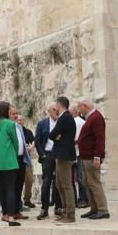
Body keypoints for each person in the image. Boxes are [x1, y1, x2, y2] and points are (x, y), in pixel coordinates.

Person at [76, 98, 110, 220]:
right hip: (85, 157)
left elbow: (99, 138)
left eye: (79, 107)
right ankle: (94, 208)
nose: (78, 110)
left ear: (85, 106)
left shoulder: (96, 118)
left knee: (94, 183)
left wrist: (97, 156)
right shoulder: (91, 118)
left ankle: (102, 209)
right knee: (87, 182)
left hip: (91, 157)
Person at [50, 96, 78, 224]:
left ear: (59, 105)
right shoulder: (66, 117)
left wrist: (57, 137)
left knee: (66, 185)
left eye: (56, 105)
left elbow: (52, 135)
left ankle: (70, 214)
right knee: (59, 185)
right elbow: (55, 135)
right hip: (62, 155)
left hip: (64, 156)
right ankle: (65, 211)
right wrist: (57, 136)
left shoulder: (64, 118)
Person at [34, 104, 61, 220]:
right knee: (46, 183)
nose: (56, 111)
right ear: (49, 111)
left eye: (57, 109)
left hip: (59, 155)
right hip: (47, 155)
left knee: (59, 182)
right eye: (54, 110)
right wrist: (42, 155)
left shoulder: (62, 122)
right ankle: (44, 209)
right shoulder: (42, 124)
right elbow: (37, 141)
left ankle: (58, 207)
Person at [14, 113, 36, 209]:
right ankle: (18, 201)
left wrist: (31, 147)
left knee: (29, 179)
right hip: (17, 159)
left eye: (21, 120)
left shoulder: (28, 132)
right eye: (18, 120)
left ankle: (27, 199)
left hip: (26, 159)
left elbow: (34, 140)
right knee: (18, 181)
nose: (20, 122)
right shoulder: (14, 130)